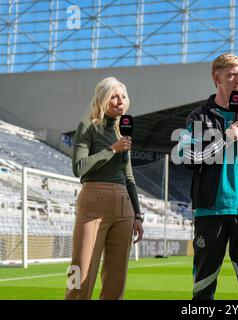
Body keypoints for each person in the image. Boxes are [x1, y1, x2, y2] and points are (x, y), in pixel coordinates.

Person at [174, 53, 238, 300]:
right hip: (210, 212)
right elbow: (183, 155)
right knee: (202, 292)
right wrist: (224, 140)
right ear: (216, 79)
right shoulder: (199, 116)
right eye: (231, 74)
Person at [65, 77, 144, 300]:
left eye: (123, 96)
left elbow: (129, 176)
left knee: (116, 279)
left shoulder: (123, 132)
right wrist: (112, 149)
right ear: (102, 99)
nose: (120, 101)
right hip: (93, 203)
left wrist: (138, 214)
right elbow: (78, 168)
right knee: (79, 270)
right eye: (114, 96)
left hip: (124, 208)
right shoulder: (87, 126)